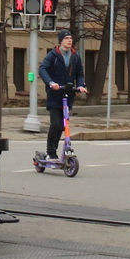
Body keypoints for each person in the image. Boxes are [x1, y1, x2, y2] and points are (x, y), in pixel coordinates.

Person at [37, 29, 87, 161]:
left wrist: (81, 85)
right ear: (61, 41)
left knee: (63, 125)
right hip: (55, 94)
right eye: (66, 38)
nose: (69, 40)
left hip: (68, 94)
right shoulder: (53, 55)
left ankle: (56, 150)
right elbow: (42, 69)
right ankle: (50, 152)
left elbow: (79, 74)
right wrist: (51, 83)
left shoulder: (75, 56)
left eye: (71, 38)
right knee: (55, 124)